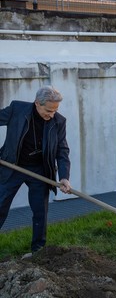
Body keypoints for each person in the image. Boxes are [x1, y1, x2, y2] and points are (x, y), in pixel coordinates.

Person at [0, 85, 71, 256]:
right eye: (48, 110)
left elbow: (62, 151)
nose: (51, 115)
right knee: (0, 206)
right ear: (37, 103)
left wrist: (64, 177)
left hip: (39, 170)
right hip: (13, 166)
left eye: (55, 110)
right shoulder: (17, 109)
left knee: (40, 211)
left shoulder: (58, 121)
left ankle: (38, 251)